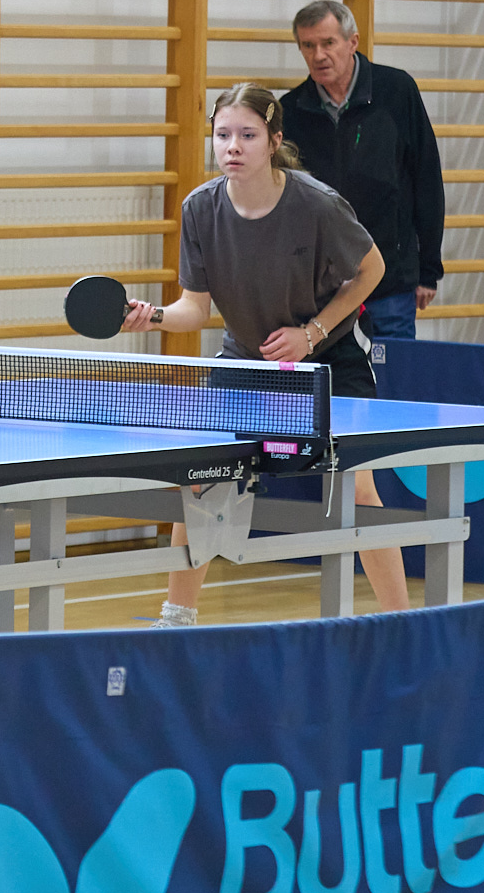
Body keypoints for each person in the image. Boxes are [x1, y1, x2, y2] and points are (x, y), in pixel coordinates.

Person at [122, 82, 405, 625]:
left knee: (355, 484)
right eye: (223, 135)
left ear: (274, 141)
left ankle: (400, 619)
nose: (233, 146)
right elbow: (194, 309)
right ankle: (177, 617)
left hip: (330, 359)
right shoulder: (200, 209)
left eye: (248, 135)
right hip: (247, 361)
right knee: (202, 477)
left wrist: (311, 333)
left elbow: (372, 269)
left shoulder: (317, 204)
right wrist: (151, 315)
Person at [277, 0, 445, 341]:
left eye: (328, 43)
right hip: (320, 289)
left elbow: (426, 178)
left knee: (392, 373)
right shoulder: (290, 111)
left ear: (352, 42)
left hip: (390, 283)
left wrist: (428, 270)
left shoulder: (397, 91)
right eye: (308, 46)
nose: (318, 55)